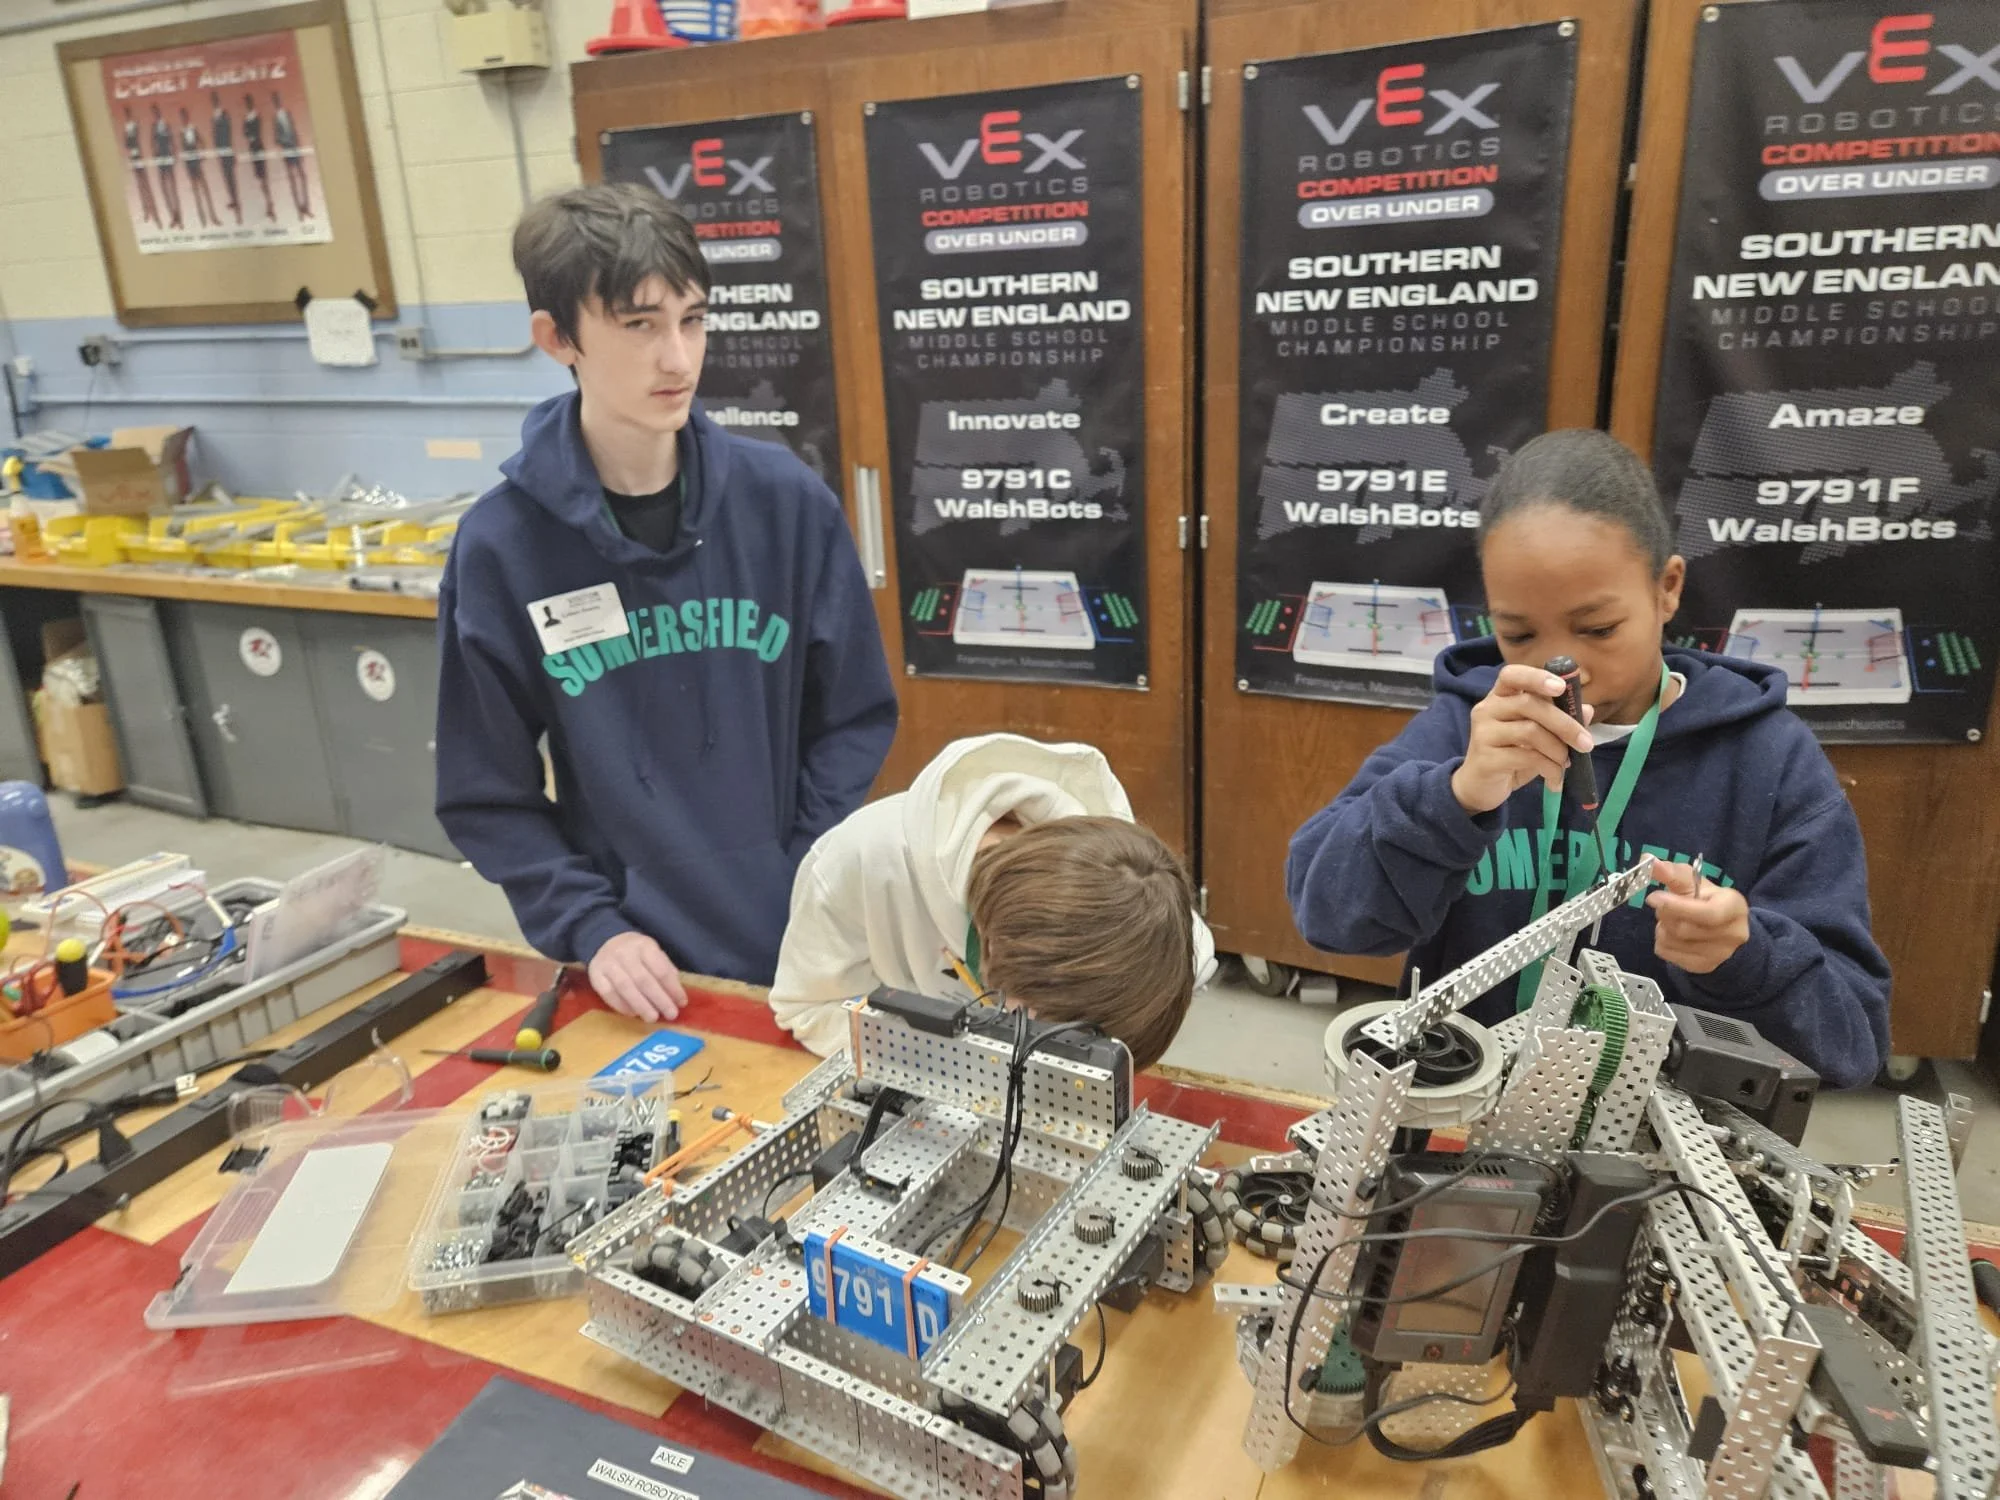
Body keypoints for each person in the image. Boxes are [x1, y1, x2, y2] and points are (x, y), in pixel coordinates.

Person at [1285, 428, 1890, 1087]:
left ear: (1667, 588)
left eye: (1598, 629)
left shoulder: (1768, 760)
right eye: (1518, 633)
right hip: (1471, 1109)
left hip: (1664, 1130)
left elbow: (1851, 1043)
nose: (1562, 668)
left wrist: (1746, 957)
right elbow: (1327, 916)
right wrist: (1455, 798)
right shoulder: (1464, 728)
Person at [437, 182, 897, 1024]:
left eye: (693, 319)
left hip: (805, 933)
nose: (679, 359)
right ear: (557, 338)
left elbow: (854, 716)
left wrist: (804, 867)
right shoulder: (502, 547)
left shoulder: (787, 505)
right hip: (633, 968)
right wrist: (592, 927)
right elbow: (484, 790)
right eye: (640, 325)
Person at [769, 734, 1216, 1070]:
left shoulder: (1155, 926)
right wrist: (944, 1059)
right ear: (992, 952)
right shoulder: (859, 861)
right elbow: (805, 1008)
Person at [273, 91, 311, 219]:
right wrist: (285, 140)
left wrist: (298, 147)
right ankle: (299, 210)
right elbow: (276, 139)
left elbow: (294, 131)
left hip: (295, 149)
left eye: (278, 99)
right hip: (287, 151)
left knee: (302, 176)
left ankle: (306, 207)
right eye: (275, 100)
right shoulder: (275, 119)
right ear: (274, 103)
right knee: (293, 180)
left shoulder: (288, 114)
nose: (277, 102)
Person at [178, 109, 218, 229]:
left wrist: (202, 154)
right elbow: (181, 148)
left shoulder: (193, 129)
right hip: (189, 165)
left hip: (196, 162)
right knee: (196, 192)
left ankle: (213, 217)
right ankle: (202, 220)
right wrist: (186, 162)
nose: (184, 119)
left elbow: (202, 141)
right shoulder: (181, 132)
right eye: (182, 117)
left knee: (205, 190)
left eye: (185, 116)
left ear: (187, 116)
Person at [122, 107, 159, 227]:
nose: (127, 115)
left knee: (145, 184)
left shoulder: (134, 125)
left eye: (128, 113)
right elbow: (127, 144)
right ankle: (146, 211)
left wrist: (130, 135)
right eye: (126, 113)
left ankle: (153, 211)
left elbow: (134, 139)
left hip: (139, 157)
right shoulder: (127, 127)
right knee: (140, 185)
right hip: (133, 157)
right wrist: (128, 135)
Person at [243, 94, 275, 223]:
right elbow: (245, 133)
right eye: (247, 104)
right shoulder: (247, 118)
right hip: (253, 149)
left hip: (258, 148)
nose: (248, 105)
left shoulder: (256, 116)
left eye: (249, 103)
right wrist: (250, 135)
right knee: (260, 178)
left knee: (263, 177)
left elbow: (255, 132)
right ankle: (268, 204)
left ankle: (269, 204)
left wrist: (251, 135)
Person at [149, 105, 182, 230]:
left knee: (172, 188)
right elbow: (152, 142)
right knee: (164, 189)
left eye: (156, 112)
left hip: (168, 156)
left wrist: (174, 154)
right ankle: (173, 216)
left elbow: (172, 140)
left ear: (159, 112)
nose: (155, 114)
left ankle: (179, 217)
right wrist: (155, 155)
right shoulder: (154, 127)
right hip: (160, 159)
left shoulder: (165, 125)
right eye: (153, 112)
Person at [211, 92, 241, 224]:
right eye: (213, 100)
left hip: (227, 150)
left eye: (215, 100)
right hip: (222, 153)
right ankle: (234, 202)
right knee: (227, 180)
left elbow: (228, 133)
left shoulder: (224, 115)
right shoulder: (214, 117)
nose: (214, 102)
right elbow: (215, 136)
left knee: (231, 180)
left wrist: (231, 151)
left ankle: (238, 208)